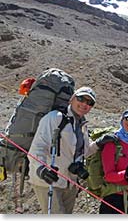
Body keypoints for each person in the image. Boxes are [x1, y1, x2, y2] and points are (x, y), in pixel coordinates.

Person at [28, 86, 115, 214]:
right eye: (81, 99)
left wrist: (99, 143)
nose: (84, 104)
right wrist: (42, 170)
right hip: (49, 181)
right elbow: (37, 148)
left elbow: (84, 152)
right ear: (72, 98)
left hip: (70, 183)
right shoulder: (55, 118)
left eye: (89, 102)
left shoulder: (82, 124)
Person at [99, 109, 128, 214]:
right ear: (122, 120)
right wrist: (126, 174)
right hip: (114, 196)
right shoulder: (111, 143)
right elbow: (108, 175)